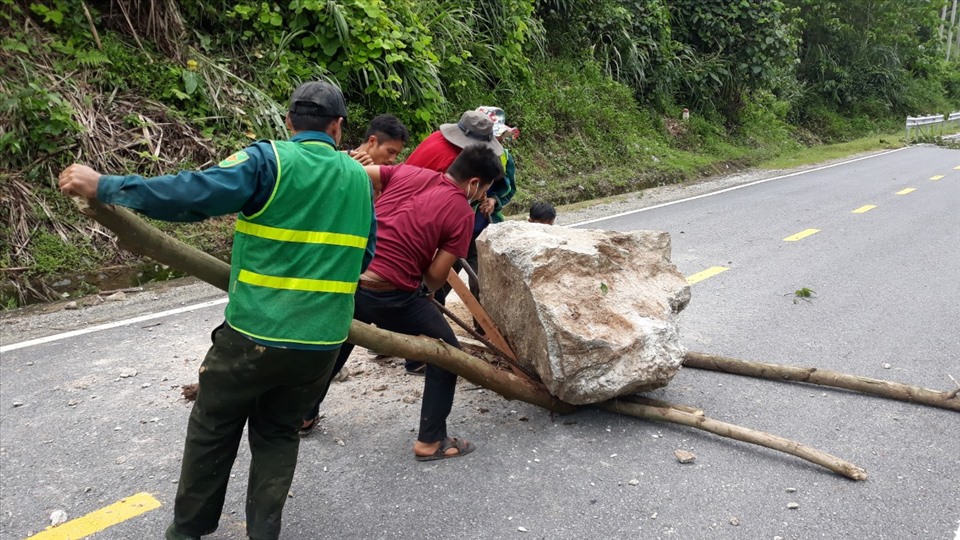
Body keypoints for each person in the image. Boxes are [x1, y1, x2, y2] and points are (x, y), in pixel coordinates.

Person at [58, 81, 376, 540]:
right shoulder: (358, 181)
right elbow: (364, 256)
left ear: (289, 122)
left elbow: (194, 194)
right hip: (322, 342)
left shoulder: (270, 160)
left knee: (214, 426)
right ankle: (263, 533)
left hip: (254, 334)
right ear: (339, 128)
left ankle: (187, 532)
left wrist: (107, 186)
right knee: (279, 433)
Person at [300, 144, 504, 461]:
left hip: (350, 281)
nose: (481, 196)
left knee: (344, 335)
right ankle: (431, 441)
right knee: (447, 354)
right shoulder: (463, 213)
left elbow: (355, 173)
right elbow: (436, 277)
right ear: (474, 183)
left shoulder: (407, 171)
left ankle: (302, 413)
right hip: (391, 295)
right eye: (485, 189)